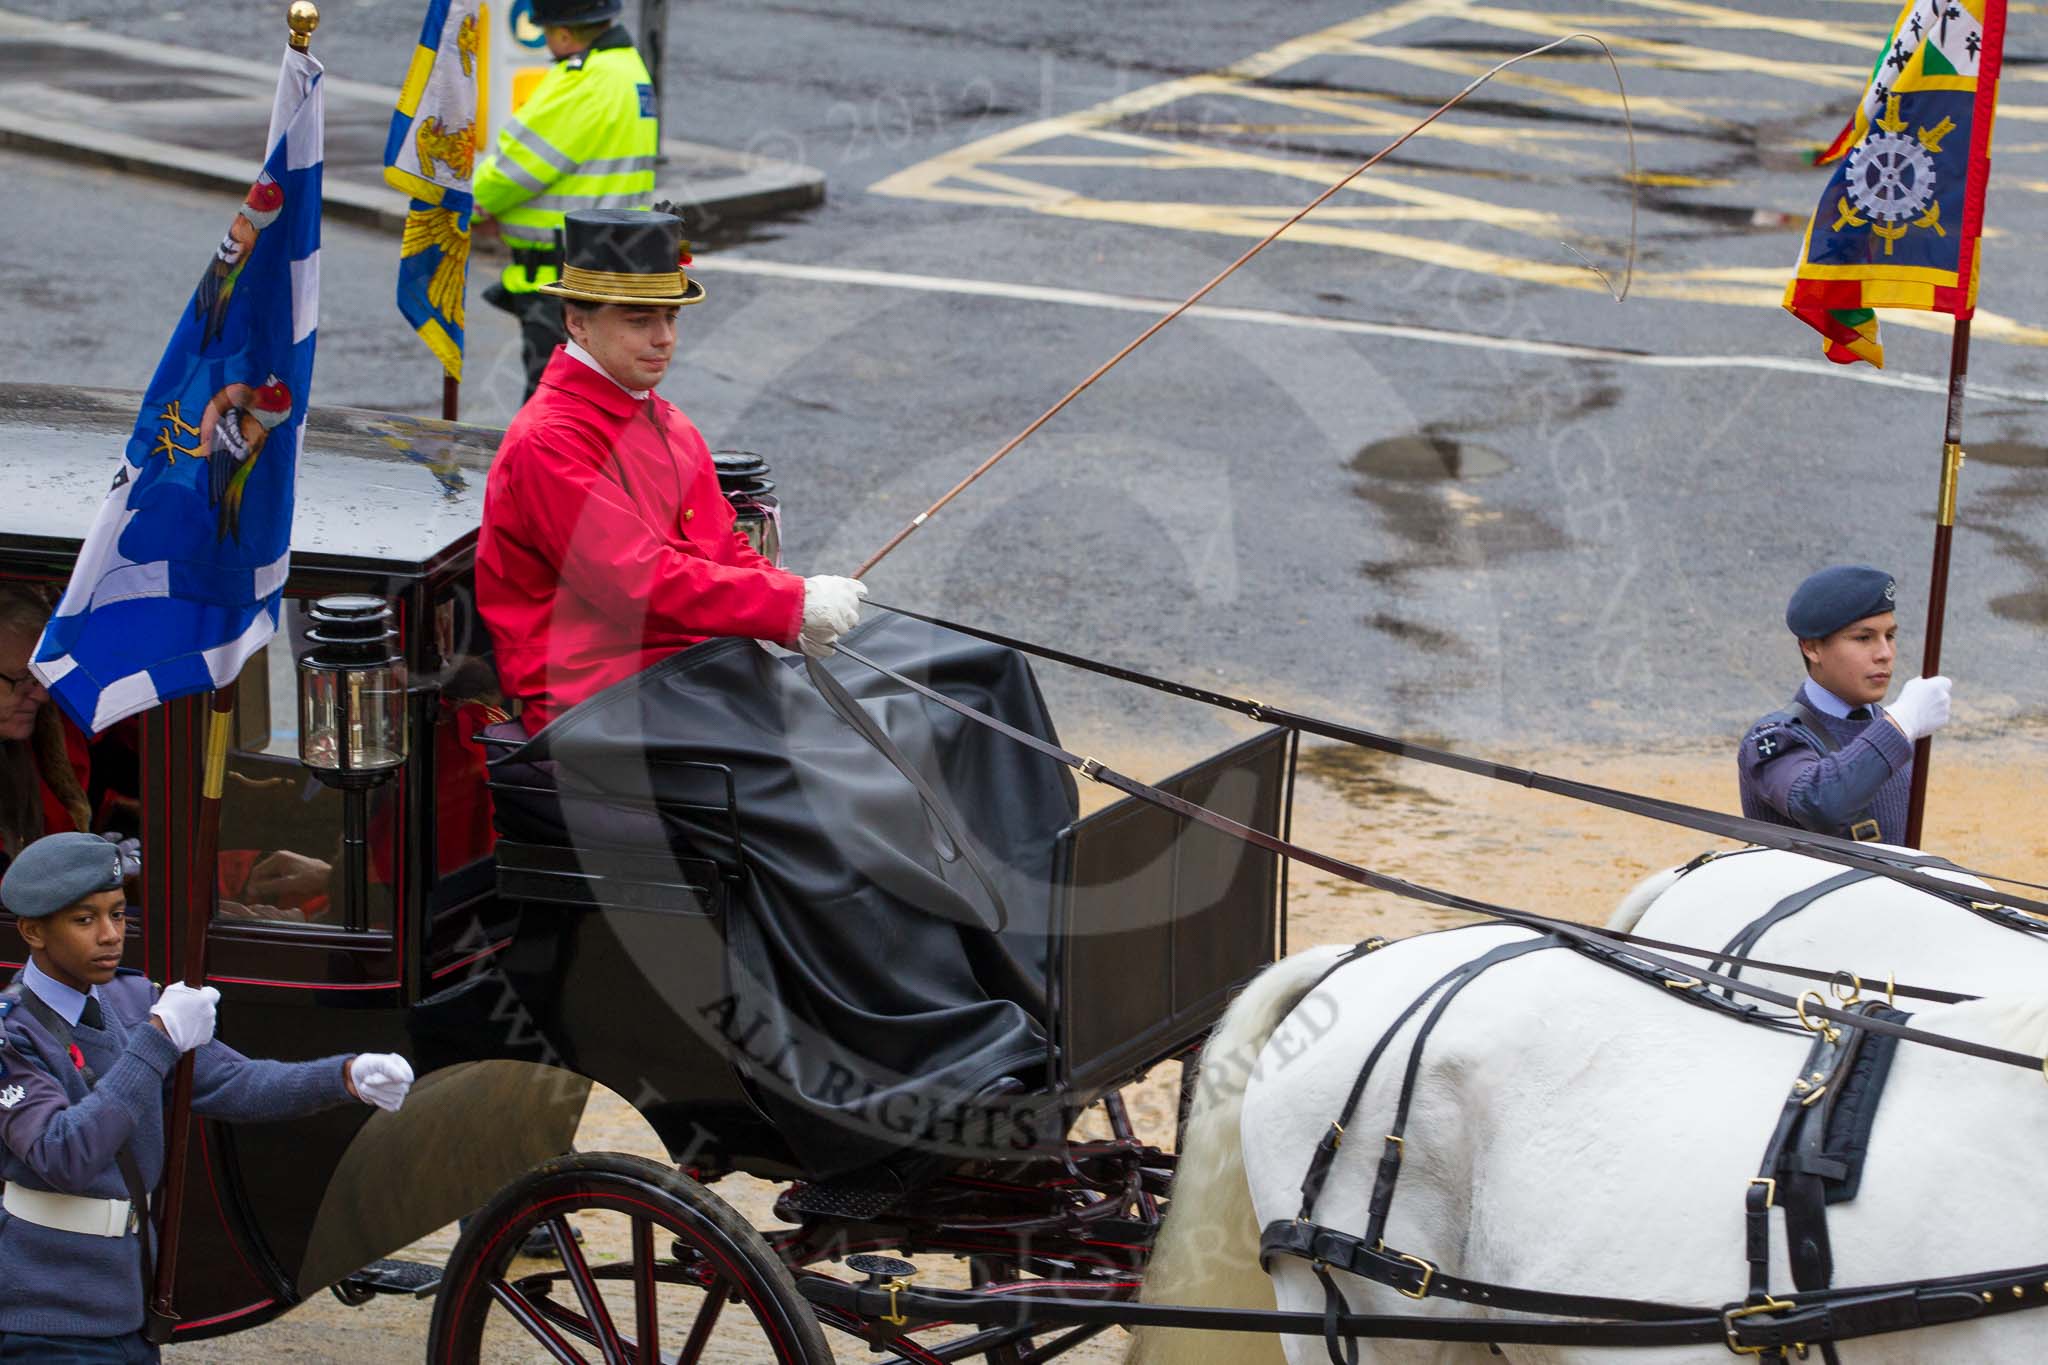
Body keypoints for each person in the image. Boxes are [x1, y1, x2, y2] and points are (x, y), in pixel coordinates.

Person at [0, 833, 415, 1361]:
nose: (110, 936)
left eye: (118, 914)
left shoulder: (132, 999)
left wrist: (345, 1075)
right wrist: (158, 1039)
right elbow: (64, 1154)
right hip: (44, 1313)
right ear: (34, 931)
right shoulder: (13, 1032)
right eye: (85, 921)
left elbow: (237, 1083)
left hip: (129, 1304)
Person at [476, 207, 865, 732]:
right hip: (600, 703)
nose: (664, 338)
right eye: (639, 320)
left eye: (671, 317)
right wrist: (790, 605)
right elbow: (637, 583)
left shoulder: (663, 417)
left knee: (947, 684)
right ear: (578, 322)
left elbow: (722, 544)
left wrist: (790, 600)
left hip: (682, 671)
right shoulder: (551, 439)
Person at [474, 0, 660, 400]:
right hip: (610, 267)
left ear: (562, 33)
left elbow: (520, 166)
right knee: (596, 404)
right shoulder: (629, 68)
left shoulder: (585, 80)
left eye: (545, 32)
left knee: (554, 409)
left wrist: (470, 204)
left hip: (565, 278)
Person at [1738, 564, 1952, 844]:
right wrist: (1903, 722)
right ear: (1812, 648)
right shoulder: (1774, 738)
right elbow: (1818, 803)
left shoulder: (1889, 729)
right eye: (1863, 638)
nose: (1885, 654)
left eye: (1889, 636)